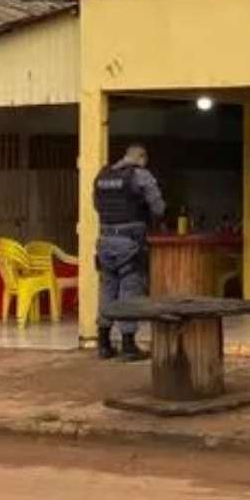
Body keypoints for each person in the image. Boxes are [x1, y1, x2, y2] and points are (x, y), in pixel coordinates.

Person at [93, 142, 165, 360]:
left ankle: (103, 343)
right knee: (129, 291)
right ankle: (128, 345)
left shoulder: (103, 176)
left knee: (107, 289)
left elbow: (96, 205)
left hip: (105, 239)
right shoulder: (141, 176)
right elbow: (158, 208)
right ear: (141, 158)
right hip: (130, 242)